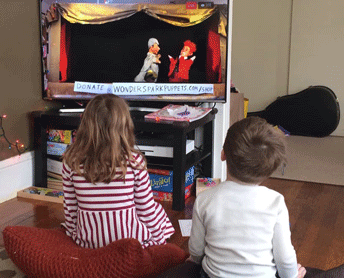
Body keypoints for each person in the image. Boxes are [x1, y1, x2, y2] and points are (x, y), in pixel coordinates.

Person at [188, 116, 306, 278]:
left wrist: (193, 261)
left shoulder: (205, 199)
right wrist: (292, 276)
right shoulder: (275, 202)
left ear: (223, 155)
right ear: (269, 168)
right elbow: (285, 258)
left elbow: (196, 250)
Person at [61, 94, 174, 249]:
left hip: (89, 243)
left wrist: (74, 235)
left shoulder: (71, 161)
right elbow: (145, 210)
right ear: (124, 126)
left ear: (85, 124)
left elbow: (71, 209)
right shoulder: (134, 162)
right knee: (157, 209)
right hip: (129, 243)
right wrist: (159, 242)